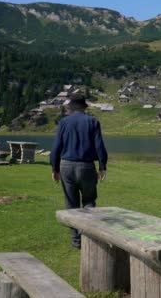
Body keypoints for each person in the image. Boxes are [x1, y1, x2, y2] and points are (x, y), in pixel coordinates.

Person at [50, 93, 108, 249]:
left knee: (71, 204)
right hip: (87, 166)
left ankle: (76, 242)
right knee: (89, 201)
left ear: (71, 107)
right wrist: (102, 165)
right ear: (84, 107)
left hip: (66, 166)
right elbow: (99, 146)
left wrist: (54, 168)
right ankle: (89, 239)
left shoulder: (64, 122)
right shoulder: (92, 121)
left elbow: (56, 147)